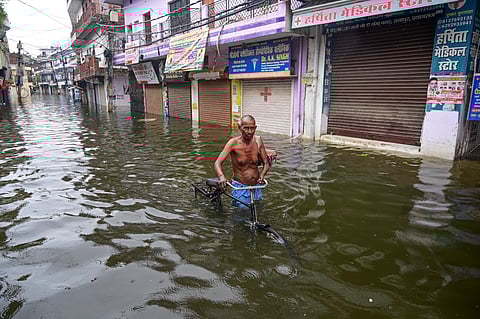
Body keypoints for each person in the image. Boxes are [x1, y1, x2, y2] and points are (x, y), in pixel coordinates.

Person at [214, 115, 271, 208]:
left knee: (259, 209)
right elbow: (217, 163)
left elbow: (266, 163)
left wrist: (262, 175)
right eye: (246, 128)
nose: (249, 132)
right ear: (240, 128)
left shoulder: (258, 140)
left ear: (255, 128)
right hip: (240, 187)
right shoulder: (233, 143)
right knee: (241, 214)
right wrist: (221, 177)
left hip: (256, 186)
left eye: (252, 128)